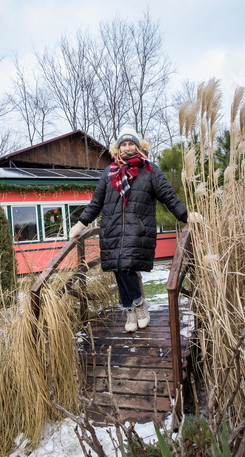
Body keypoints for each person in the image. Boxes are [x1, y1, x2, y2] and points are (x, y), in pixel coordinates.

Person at [69, 125, 188, 333]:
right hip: (112, 229)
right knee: (117, 267)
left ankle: (139, 304)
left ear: (138, 145)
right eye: (123, 144)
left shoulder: (149, 170)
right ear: (118, 148)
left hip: (138, 230)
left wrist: (186, 216)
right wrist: (81, 224)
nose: (126, 147)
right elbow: (96, 203)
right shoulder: (109, 173)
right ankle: (129, 310)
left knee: (125, 265)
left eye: (130, 143)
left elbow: (168, 196)